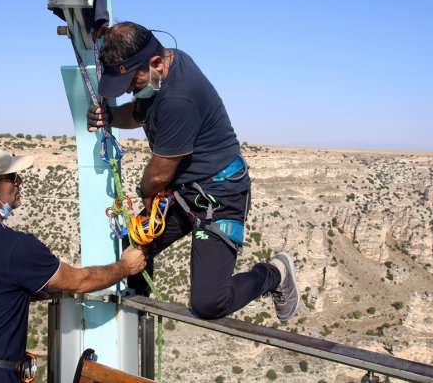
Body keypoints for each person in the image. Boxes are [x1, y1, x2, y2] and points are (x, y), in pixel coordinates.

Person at [87, 22, 300, 322]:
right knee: (134, 246)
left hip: (220, 197)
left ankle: (274, 273)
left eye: (133, 84)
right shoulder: (167, 62)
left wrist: (145, 194)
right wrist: (108, 116)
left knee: (209, 303)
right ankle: (137, 314)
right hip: (186, 192)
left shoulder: (179, 98)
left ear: (157, 63)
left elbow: (159, 175)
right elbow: (139, 112)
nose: (131, 92)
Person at [0, 144, 145, 383]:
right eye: (10, 177)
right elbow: (80, 281)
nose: (19, 181)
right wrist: (125, 267)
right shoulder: (15, 246)